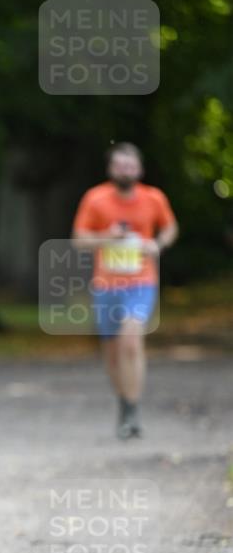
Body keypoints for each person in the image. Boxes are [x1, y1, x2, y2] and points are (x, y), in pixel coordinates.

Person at [72, 142, 178, 439]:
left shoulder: (153, 198)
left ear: (140, 169)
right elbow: (79, 239)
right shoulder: (95, 199)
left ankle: (132, 409)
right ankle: (124, 402)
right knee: (112, 352)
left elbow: (170, 228)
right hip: (106, 284)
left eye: (130, 166)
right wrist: (107, 236)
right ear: (110, 169)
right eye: (119, 166)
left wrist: (158, 244)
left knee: (131, 341)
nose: (125, 171)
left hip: (141, 280)